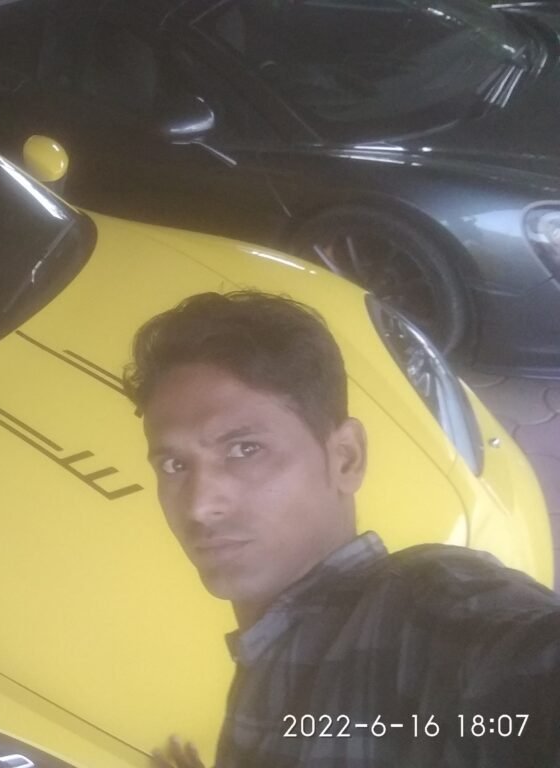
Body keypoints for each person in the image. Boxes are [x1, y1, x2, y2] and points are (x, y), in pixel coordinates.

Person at [123, 291, 560, 768]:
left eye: (245, 449)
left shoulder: (425, 617)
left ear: (346, 458)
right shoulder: (272, 645)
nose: (201, 506)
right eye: (174, 465)